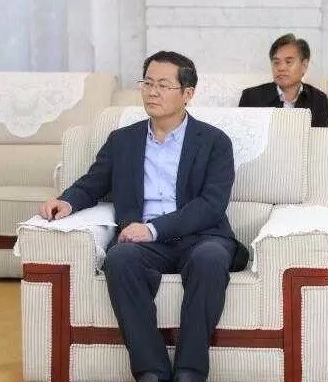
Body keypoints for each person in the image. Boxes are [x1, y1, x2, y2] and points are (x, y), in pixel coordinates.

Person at [39, 51, 249, 382]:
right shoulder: (123, 140)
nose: (152, 92)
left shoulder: (214, 142)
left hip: (201, 236)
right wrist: (66, 202)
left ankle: (190, 372)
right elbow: (93, 182)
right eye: (148, 83)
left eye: (163, 85)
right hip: (144, 244)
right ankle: (151, 371)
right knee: (120, 259)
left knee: (210, 259)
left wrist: (152, 229)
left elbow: (211, 205)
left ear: (188, 93)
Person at [239, 33, 328, 127]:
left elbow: (322, 135)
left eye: (288, 62)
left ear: (304, 65)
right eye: (276, 62)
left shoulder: (318, 99)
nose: (281, 68)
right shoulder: (251, 97)